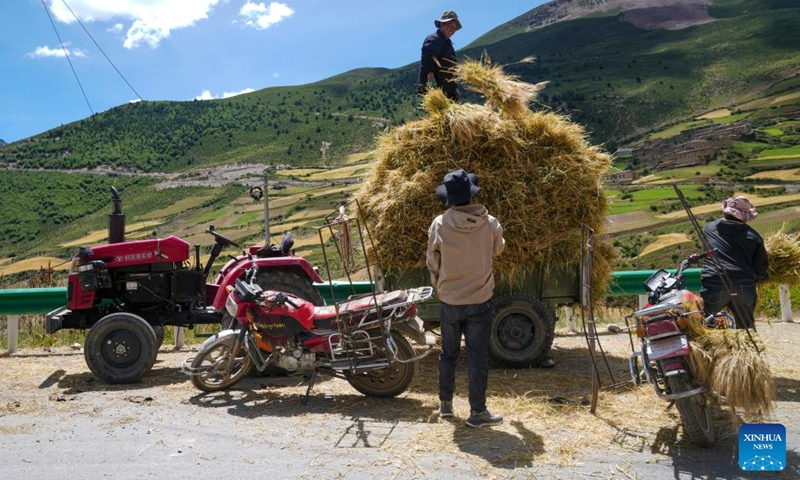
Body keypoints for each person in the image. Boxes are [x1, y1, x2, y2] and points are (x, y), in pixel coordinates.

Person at [426, 168, 505, 428]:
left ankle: (446, 405)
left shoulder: (439, 224)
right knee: (477, 356)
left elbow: (432, 261)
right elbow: (499, 249)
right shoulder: (490, 223)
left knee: (448, 353)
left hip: (450, 299)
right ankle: (478, 412)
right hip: (480, 299)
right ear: (472, 196)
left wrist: (440, 284)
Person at [700, 196, 769, 329]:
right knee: (745, 327)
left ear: (726, 211)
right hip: (744, 285)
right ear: (746, 216)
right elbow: (761, 268)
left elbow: (707, 253)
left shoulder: (709, 229)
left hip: (715, 281)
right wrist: (761, 278)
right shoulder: (754, 237)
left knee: (704, 325)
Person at [417, 11, 461, 102]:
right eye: (449, 25)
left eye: (454, 28)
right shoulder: (434, 39)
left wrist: (453, 87)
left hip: (448, 90)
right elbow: (428, 62)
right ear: (441, 24)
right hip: (437, 90)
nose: (452, 29)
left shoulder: (448, 44)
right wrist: (432, 84)